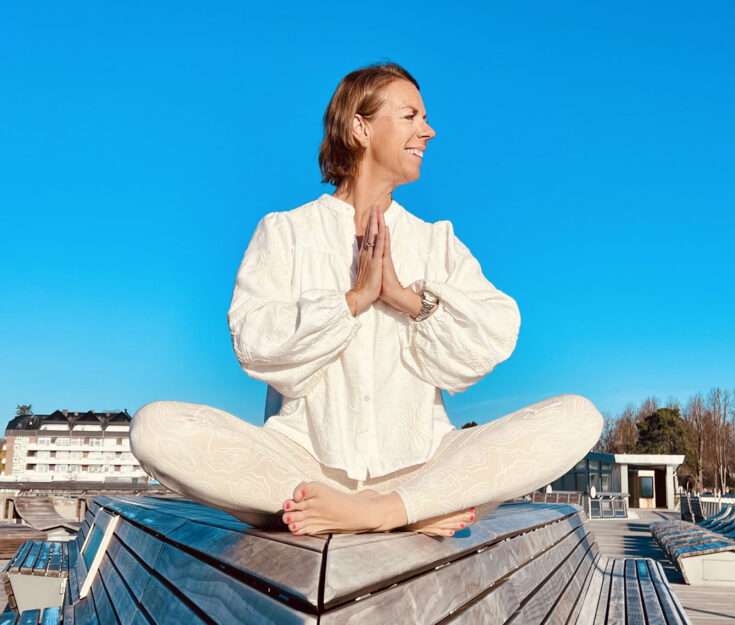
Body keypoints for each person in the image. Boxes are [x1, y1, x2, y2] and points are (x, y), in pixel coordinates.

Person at [129, 62, 604, 538]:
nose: (429, 131)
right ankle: (404, 510)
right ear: (360, 127)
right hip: (301, 462)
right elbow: (256, 344)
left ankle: (388, 509)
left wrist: (406, 298)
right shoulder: (286, 231)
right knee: (153, 429)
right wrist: (354, 300)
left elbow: (494, 336)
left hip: (423, 464)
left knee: (578, 418)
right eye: (411, 116)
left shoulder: (436, 240)